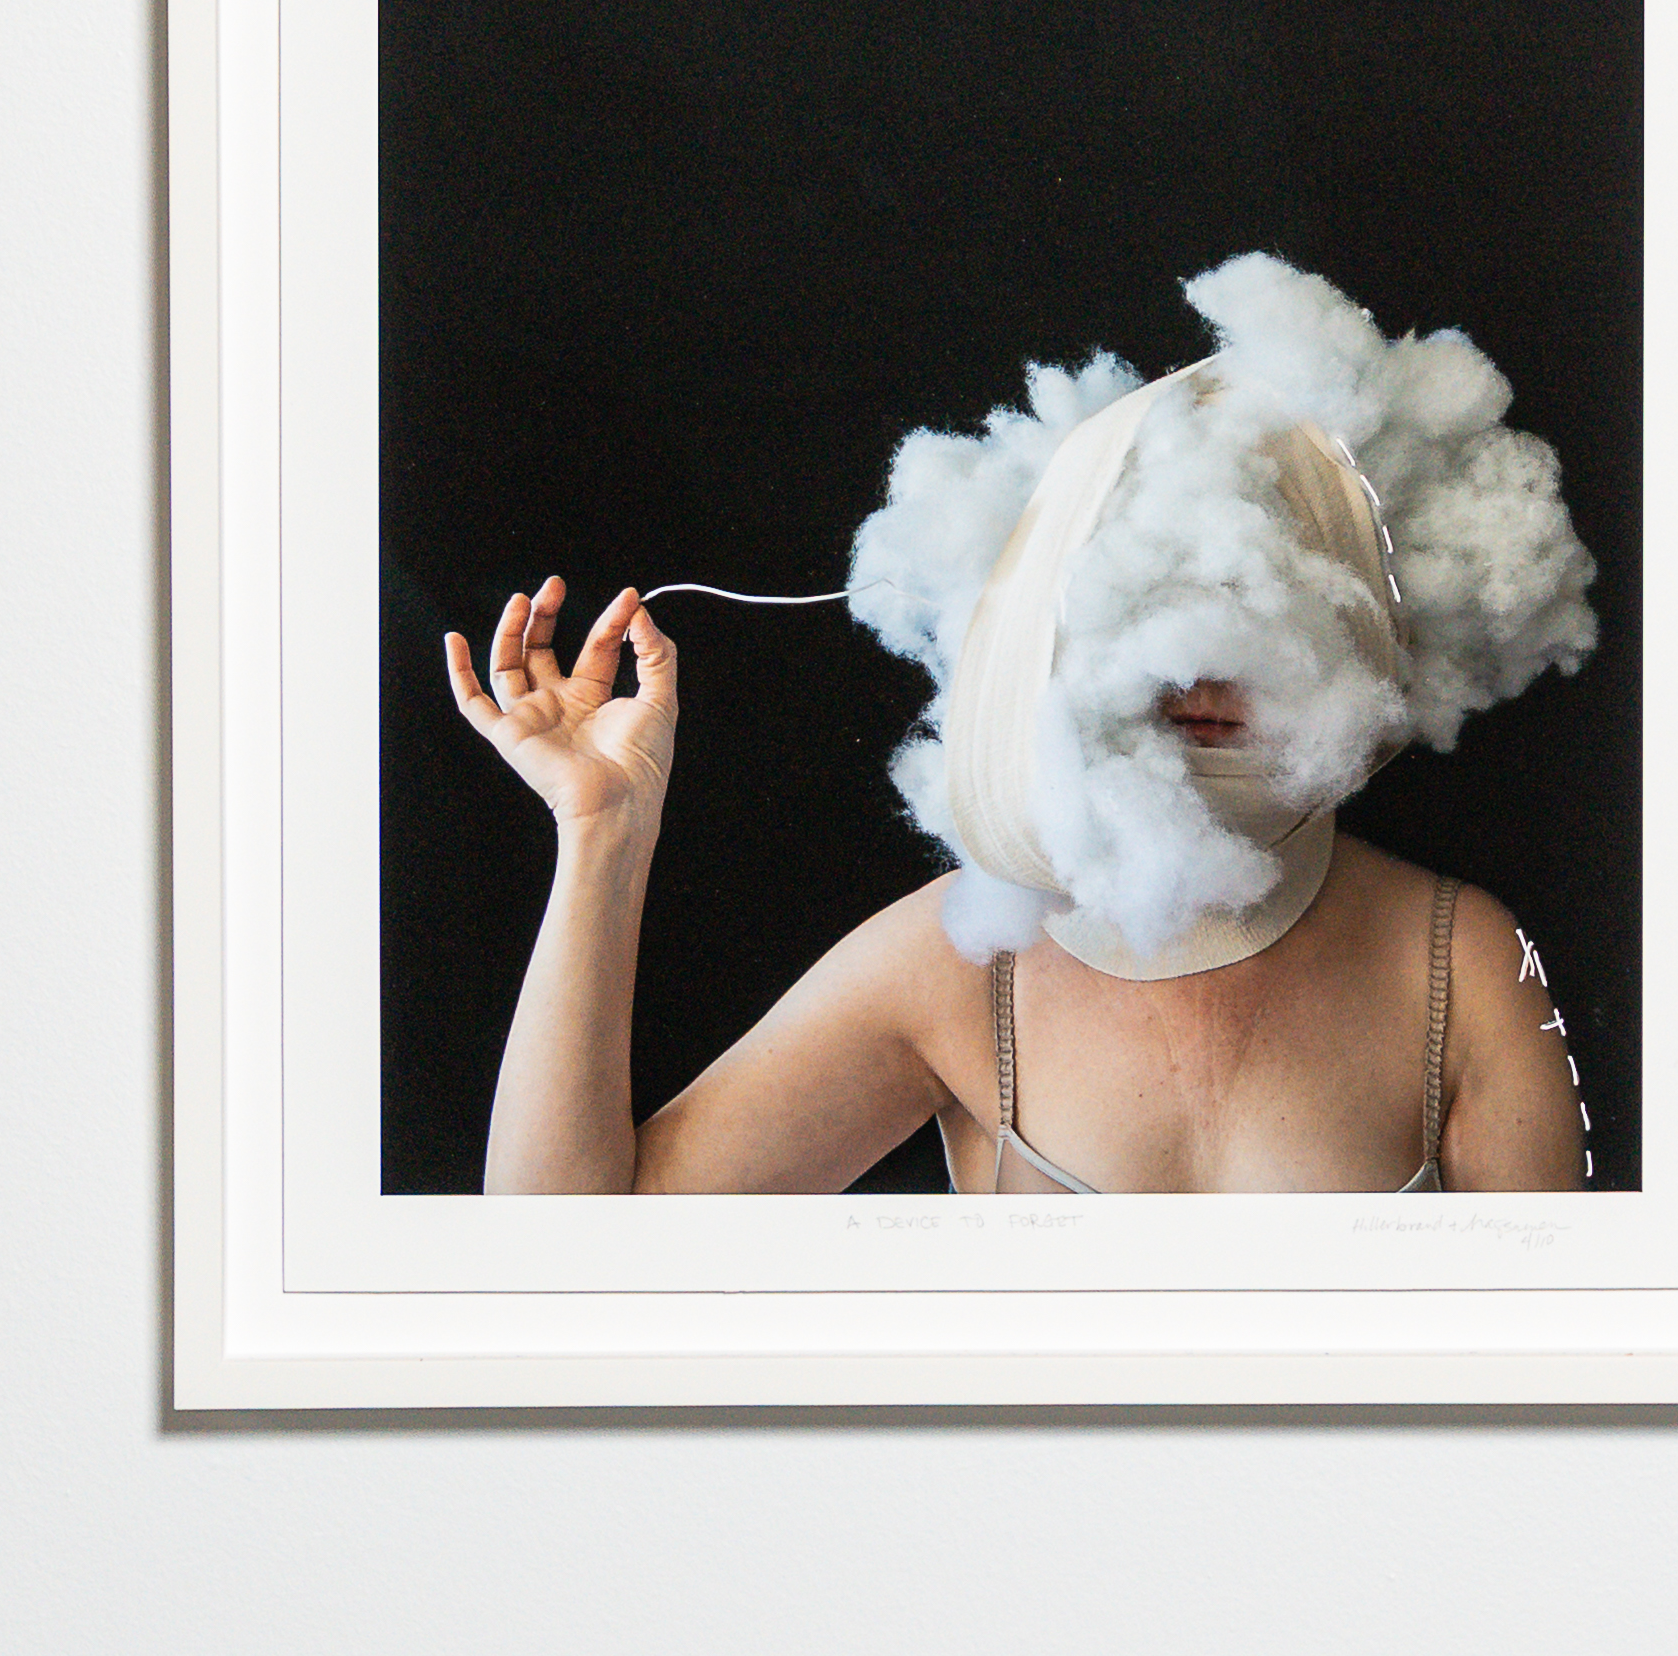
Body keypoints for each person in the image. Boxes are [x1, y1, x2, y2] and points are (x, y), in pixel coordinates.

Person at [445, 254, 1599, 1194]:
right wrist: (601, 834)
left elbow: (1566, 1382)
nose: (1198, 676)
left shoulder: (1458, 962)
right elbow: (564, 1260)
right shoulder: (960, 961)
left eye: (1259, 623)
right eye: (1147, 615)